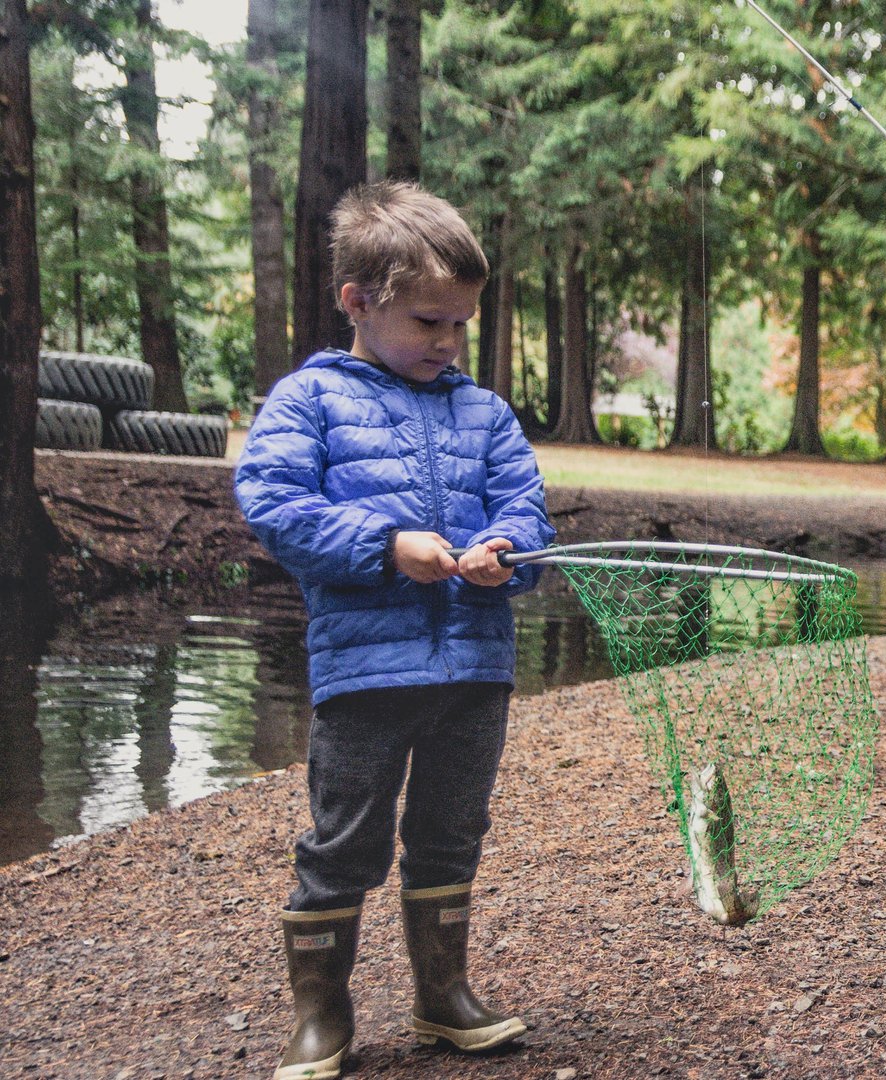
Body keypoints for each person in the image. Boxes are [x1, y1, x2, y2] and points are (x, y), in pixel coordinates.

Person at [235, 180, 555, 1080]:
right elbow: (273, 503)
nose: (448, 342)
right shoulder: (309, 402)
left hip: (474, 669)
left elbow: (527, 514)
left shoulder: (485, 412)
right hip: (365, 677)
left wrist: (506, 550)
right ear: (358, 302)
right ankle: (321, 1015)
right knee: (345, 840)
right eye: (428, 322)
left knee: (453, 832)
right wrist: (387, 546)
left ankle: (441, 996)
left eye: (460, 325)